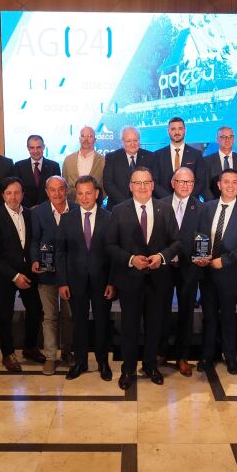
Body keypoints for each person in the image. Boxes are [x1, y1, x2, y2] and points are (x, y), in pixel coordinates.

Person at [105, 164, 180, 389]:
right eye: (137, 182)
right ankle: (128, 369)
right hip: (130, 280)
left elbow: (176, 242)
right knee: (129, 328)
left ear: (153, 185)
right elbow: (110, 245)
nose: (142, 186)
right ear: (130, 186)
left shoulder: (166, 209)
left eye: (146, 182)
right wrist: (130, 259)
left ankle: (150, 366)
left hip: (159, 280)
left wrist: (161, 257)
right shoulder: (118, 210)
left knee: (155, 326)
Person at [192, 169, 237, 375]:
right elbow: (200, 235)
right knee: (209, 316)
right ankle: (207, 356)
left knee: (228, 316)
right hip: (207, 273)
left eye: (234, 182)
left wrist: (225, 261)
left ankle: (230, 356)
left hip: (230, 273)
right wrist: (200, 257)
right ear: (219, 185)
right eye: (226, 182)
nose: (230, 186)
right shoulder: (206, 208)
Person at [57, 175, 116, 381]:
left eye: (88, 193)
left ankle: (102, 362)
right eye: (80, 193)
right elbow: (61, 253)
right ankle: (80, 362)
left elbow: (114, 254)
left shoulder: (110, 218)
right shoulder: (67, 219)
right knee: (79, 322)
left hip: (102, 281)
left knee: (102, 322)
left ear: (97, 193)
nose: (84, 197)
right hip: (75, 281)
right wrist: (62, 282)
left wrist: (112, 282)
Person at [0, 177, 44, 371]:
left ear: (23, 194)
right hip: (5, 274)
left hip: (28, 272)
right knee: (5, 314)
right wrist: (14, 276)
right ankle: (8, 353)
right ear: (3, 195)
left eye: (17, 192)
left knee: (35, 310)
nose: (13, 197)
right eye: (9, 193)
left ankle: (30, 347)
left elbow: (34, 243)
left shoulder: (31, 215)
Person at [29, 176, 77, 374]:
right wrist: (34, 260)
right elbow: (34, 240)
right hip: (46, 272)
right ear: (47, 192)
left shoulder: (76, 210)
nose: (57, 193)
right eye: (52, 189)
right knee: (49, 316)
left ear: (66, 190)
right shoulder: (38, 212)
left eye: (60, 189)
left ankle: (67, 351)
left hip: (71, 273)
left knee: (69, 315)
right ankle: (50, 356)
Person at [160, 167, 202, 377]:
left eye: (189, 182)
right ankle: (160, 352)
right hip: (164, 268)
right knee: (161, 311)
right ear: (172, 183)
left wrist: (201, 257)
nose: (185, 185)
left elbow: (203, 238)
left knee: (186, 313)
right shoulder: (160, 204)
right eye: (181, 181)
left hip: (189, 268)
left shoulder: (201, 207)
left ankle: (182, 356)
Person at [152, 117, 204, 199]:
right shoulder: (157, 155)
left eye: (180, 128)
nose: (177, 132)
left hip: (190, 202)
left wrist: (186, 199)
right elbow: (154, 182)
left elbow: (201, 182)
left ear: (185, 130)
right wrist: (170, 200)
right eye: (173, 129)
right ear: (168, 131)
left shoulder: (196, 154)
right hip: (164, 203)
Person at [103, 126, 154, 207]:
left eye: (135, 140)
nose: (132, 144)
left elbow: (153, 182)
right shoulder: (112, 157)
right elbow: (108, 184)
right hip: (118, 206)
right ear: (122, 142)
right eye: (128, 141)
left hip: (144, 205)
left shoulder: (150, 156)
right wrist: (127, 205)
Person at [201, 126, 237, 201]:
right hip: (213, 204)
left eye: (230, 137)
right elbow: (204, 186)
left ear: (234, 139)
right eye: (223, 137)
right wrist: (215, 203)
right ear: (217, 139)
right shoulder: (206, 161)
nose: (227, 140)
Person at [14, 135, 61, 208]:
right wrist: (30, 207)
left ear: (43, 147)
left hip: (47, 209)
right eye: (32, 148)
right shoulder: (19, 166)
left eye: (38, 147)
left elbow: (56, 190)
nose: (35, 151)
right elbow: (17, 190)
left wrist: (42, 207)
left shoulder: (54, 166)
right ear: (28, 148)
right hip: (25, 209)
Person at [62, 126, 106, 194]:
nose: (86, 139)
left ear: (95, 139)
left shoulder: (103, 161)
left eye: (90, 136)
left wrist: (97, 198)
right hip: (72, 200)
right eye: (83, 136)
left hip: (95, 200)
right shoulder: (68, 160)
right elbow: (64, 184)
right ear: (79, 139)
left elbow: (106, 186)